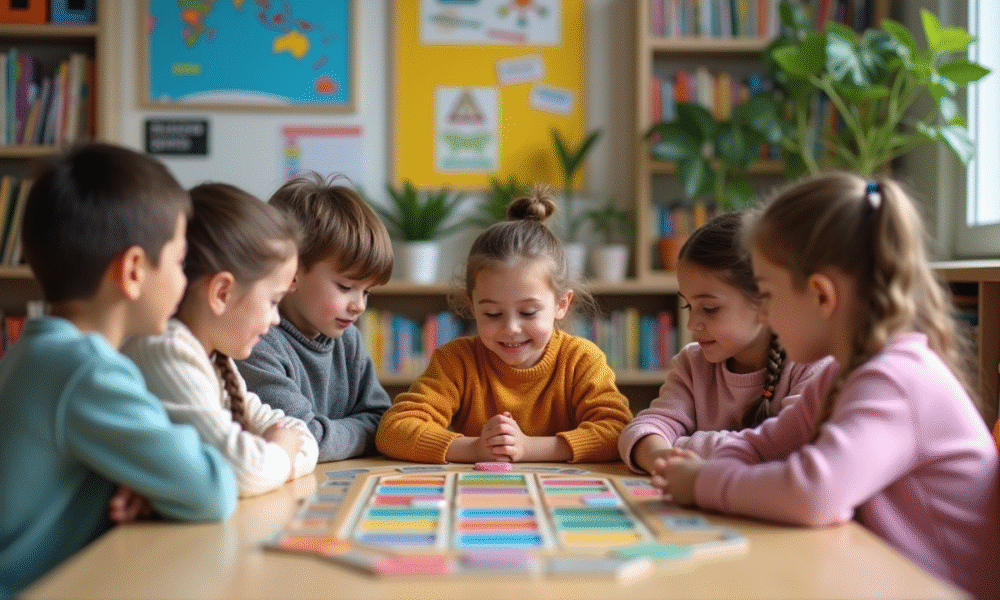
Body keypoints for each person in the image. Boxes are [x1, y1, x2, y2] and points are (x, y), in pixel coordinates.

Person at [654, 172, 1000, 600]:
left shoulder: (894, 380)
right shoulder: (844, 374)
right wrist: (718, 466)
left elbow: (813, 493)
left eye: (767, 295)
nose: (764, 316)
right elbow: (765, 444)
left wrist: (705, 483)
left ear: (821, 296)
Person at [0, 143, 236, 599]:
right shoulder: (88, 371)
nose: (185, 279)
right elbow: (211, 488)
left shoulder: (36, 352)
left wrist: (143, 480)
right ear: (132, 271)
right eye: (179, 261)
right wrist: (159, 478)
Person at [375, 186, 633, 464]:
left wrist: (528, 449)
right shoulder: (456, 361)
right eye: (493, 314)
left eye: (529, 312)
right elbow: (392, 431)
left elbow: (618, 431)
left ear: (561, 304)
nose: (511, 328)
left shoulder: (582, 360)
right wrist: (474, 449)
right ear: (472, 306)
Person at [122, 183, 318, 497]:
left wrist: (277, 454)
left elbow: (300, 434)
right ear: (222, 293)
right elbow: (242, 471)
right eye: (272, 301)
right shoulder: (166, 351)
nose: (276, 319)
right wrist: (281, 453)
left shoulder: (212, 357)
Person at [618, 211, 832, 473]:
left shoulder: (812, 365)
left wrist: (682, 446)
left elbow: (787, 448)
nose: (691, 324)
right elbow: (644, 429)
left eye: (709, 308)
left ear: (764, 301)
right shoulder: (692, 364)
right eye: (688, 305)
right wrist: (660, 458)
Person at [236, 173, 393, 462]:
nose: (359, 306)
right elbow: (303, 439)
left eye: (367, 291)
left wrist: (336, 434)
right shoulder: (256, 341)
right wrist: (362, 432)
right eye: (346, 287)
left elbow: (386, 423)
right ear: (292, 271)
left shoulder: (348, 339)